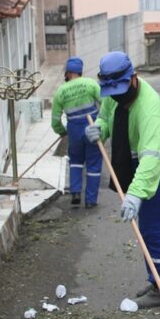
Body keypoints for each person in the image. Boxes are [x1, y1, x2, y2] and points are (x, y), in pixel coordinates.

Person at [85, 51, 160, 307]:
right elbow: (106, 114)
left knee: (155, 229)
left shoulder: (149, 109)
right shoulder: (115, 94)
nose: (117, 95)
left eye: (121, 88)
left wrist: (135, 193)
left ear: (134, 77)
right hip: (145, 167)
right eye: (112, 90)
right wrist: (100, 127)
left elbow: (152, 159)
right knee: (150, 229)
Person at [51, 57, 102, 208]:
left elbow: (55, 119)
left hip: (73, 128)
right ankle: (91, 200)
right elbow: (106, 104)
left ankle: (75, 193)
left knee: (76, 161)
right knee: (93, 163)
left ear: (68, 73)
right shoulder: (91, 84)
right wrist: (102, 124)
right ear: (80, 71)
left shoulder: (61, 91)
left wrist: (62, 132)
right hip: (92, 126)